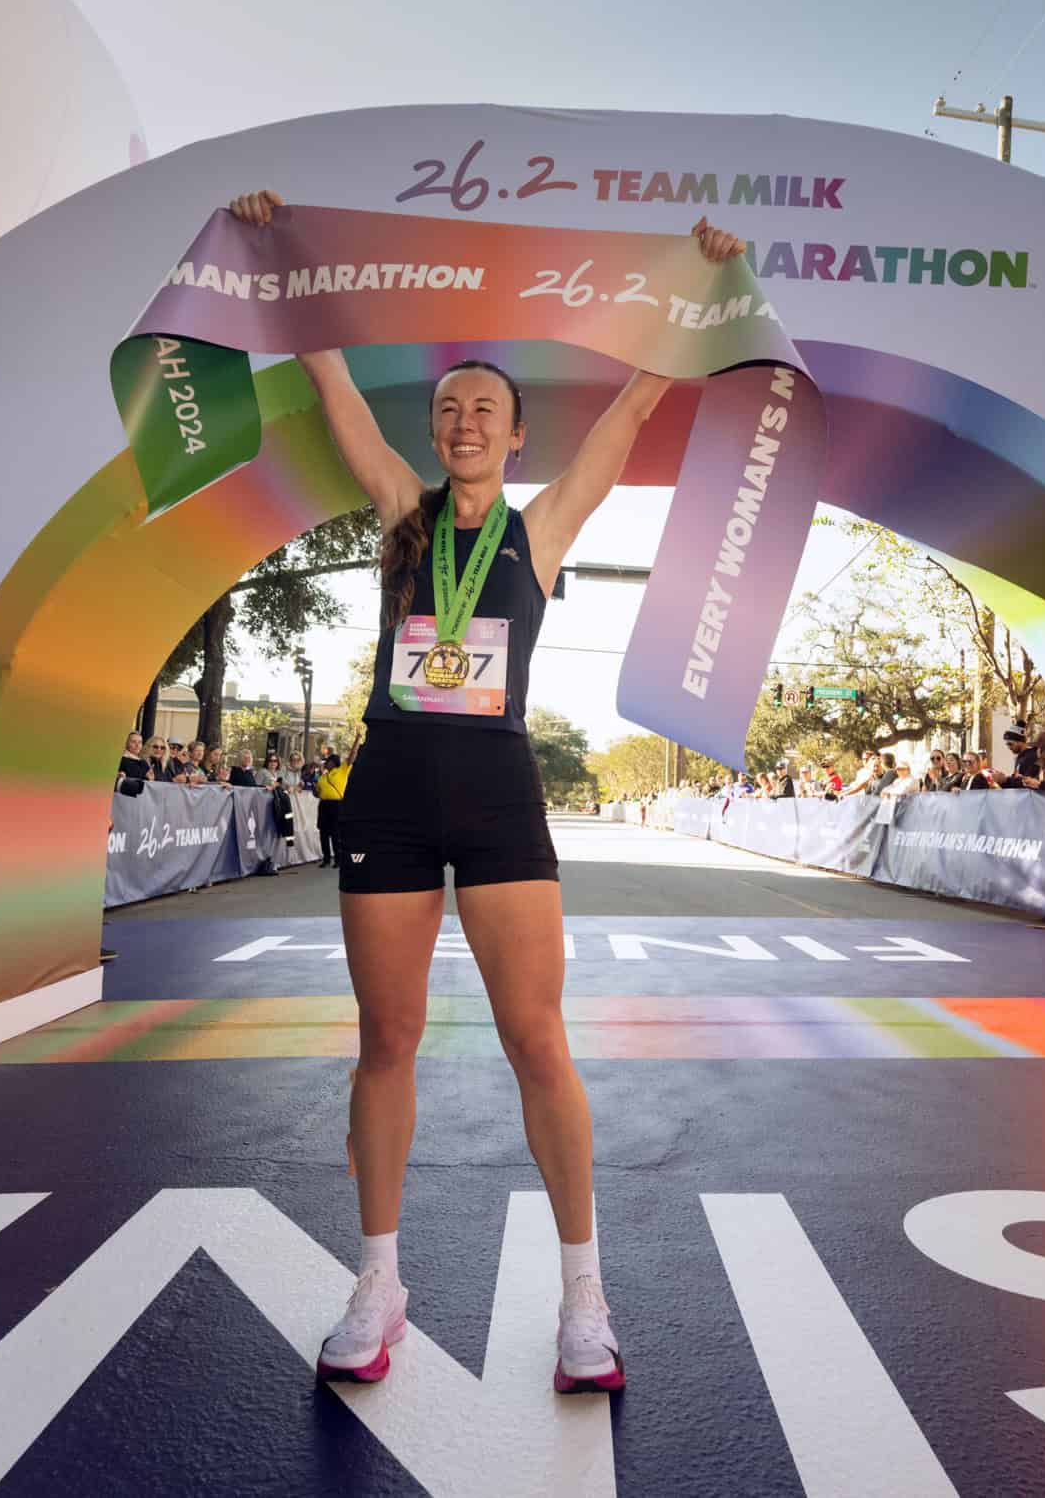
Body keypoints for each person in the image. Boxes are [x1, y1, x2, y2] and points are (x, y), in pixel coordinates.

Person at [233, 187, 745, 1395]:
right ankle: (379, 1280)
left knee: (536, 1039)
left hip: (501, 795)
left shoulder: (545, 527)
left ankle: (584, 1297)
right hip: (394, 791)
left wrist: (696, 287)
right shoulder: (401, 515)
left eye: (488, 412)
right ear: (436, 432)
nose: (465, 423)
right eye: (451, 409)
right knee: (387, 1042)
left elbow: (631, 410)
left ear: (517, 441)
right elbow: (335, 385)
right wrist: (282, 246)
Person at [314, 748, 350, 868]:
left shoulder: (342, 771)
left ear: (334, 762)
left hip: (337, 805)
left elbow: (351, 757)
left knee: (335, 833)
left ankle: (338, 859)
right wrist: (316, 791)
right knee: (323, 833)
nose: (325, 764)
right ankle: (326, 858)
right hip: (324, 805)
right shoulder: (323, 777)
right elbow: (318, 793)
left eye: (328, 762)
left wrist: (357, 740)